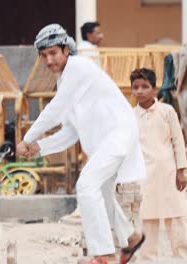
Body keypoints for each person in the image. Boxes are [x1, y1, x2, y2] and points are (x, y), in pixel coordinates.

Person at [16, 23, 146, 264]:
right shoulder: (67, 80)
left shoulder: (77, 67)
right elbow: (70, 132)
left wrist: (27, 138)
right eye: (44, 56)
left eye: (53, 53)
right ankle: (131, 237)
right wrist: (39, 148)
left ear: (67, 49)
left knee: (86, 186)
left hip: (118, 134)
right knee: (102, 190)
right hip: (111, 139)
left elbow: (54, 110)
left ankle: (104, 254)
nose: (48, 60)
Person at [131, 68, 187, 261]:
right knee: (146, 220)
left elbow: (178, 141)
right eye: (135, 87)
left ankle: (185, 259)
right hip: (144, 177)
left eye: (145, 86)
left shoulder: (167, 111)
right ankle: (147, 259)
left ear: (154, 88)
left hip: (169, 174)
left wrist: (181, 171)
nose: (140, 91)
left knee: (177, 219)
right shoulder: (130, 116)